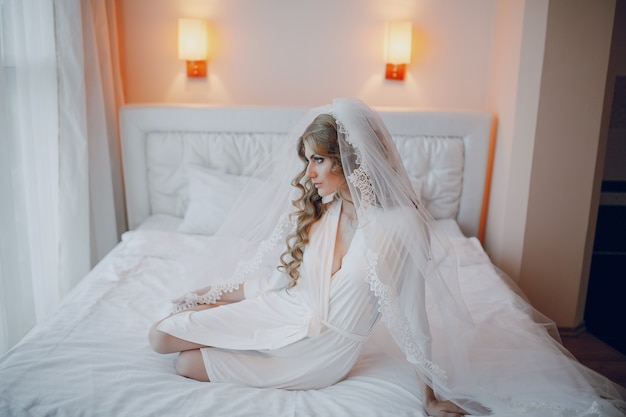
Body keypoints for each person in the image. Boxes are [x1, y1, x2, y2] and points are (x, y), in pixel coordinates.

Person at [149, 99, 626, 417]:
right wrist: (214, 297)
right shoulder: (327, 208)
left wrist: (430, 395)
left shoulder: (399, 227)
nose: (309, 173)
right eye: (308, 161)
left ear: (349, 159)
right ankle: (219, 323)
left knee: (185, 366)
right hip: (284, 312)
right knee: (161, 335)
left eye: (318, 160)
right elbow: (280, 282)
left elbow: (415, 316)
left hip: (319, 353)